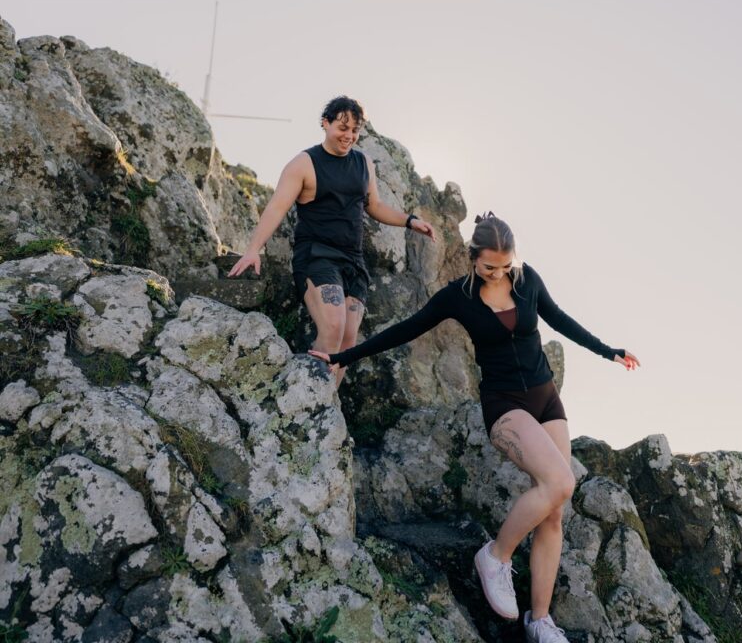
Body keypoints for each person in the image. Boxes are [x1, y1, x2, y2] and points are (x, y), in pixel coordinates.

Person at [309, 213, 640, 642]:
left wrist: (608, 351)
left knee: (554, 510)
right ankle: (495, 556)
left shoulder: (527, 280)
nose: (499, 274)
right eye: (489, 268)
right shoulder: (458, 297)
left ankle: (539, 621)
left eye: (505, 266)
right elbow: (405, 331)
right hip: (504, 405)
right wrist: (340, 358)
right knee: (560, 481)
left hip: (545, 398)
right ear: (473, 260)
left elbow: (560, 320)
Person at [228, 96, 435, 387]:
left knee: (348, 340)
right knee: (333, 326)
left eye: (355, 130)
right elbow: (276, 207)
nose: (349, 136)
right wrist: (253, 249)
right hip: (316, 256)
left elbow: (373, 206)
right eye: (342, 128)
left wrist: (410, 220)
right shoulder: (304, 163)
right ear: (325, 123)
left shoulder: (363, 162)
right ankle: (308, 402)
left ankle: (327, 405)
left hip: (353, 260)